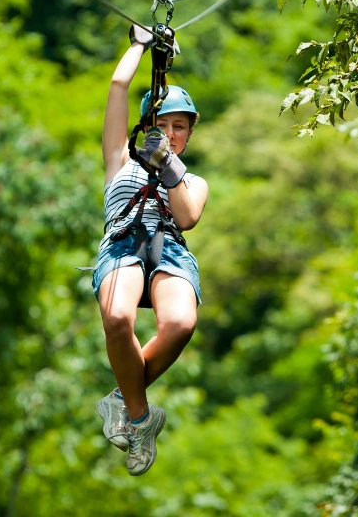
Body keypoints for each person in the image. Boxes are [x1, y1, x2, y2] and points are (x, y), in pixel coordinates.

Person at [92, 25, 208, 476]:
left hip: (170, 250)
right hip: (123, 242)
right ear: (146, 127)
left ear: (189, 136)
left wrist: (168, 165)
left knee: (180, 322)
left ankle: (123, 399)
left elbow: (188, 217)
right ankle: (141, 418)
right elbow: (119, 86)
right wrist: (140, 46)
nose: (171, 133)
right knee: (118, 318)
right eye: (162, 125)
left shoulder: (193, 180)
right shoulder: (119, 159)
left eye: (179, 127)